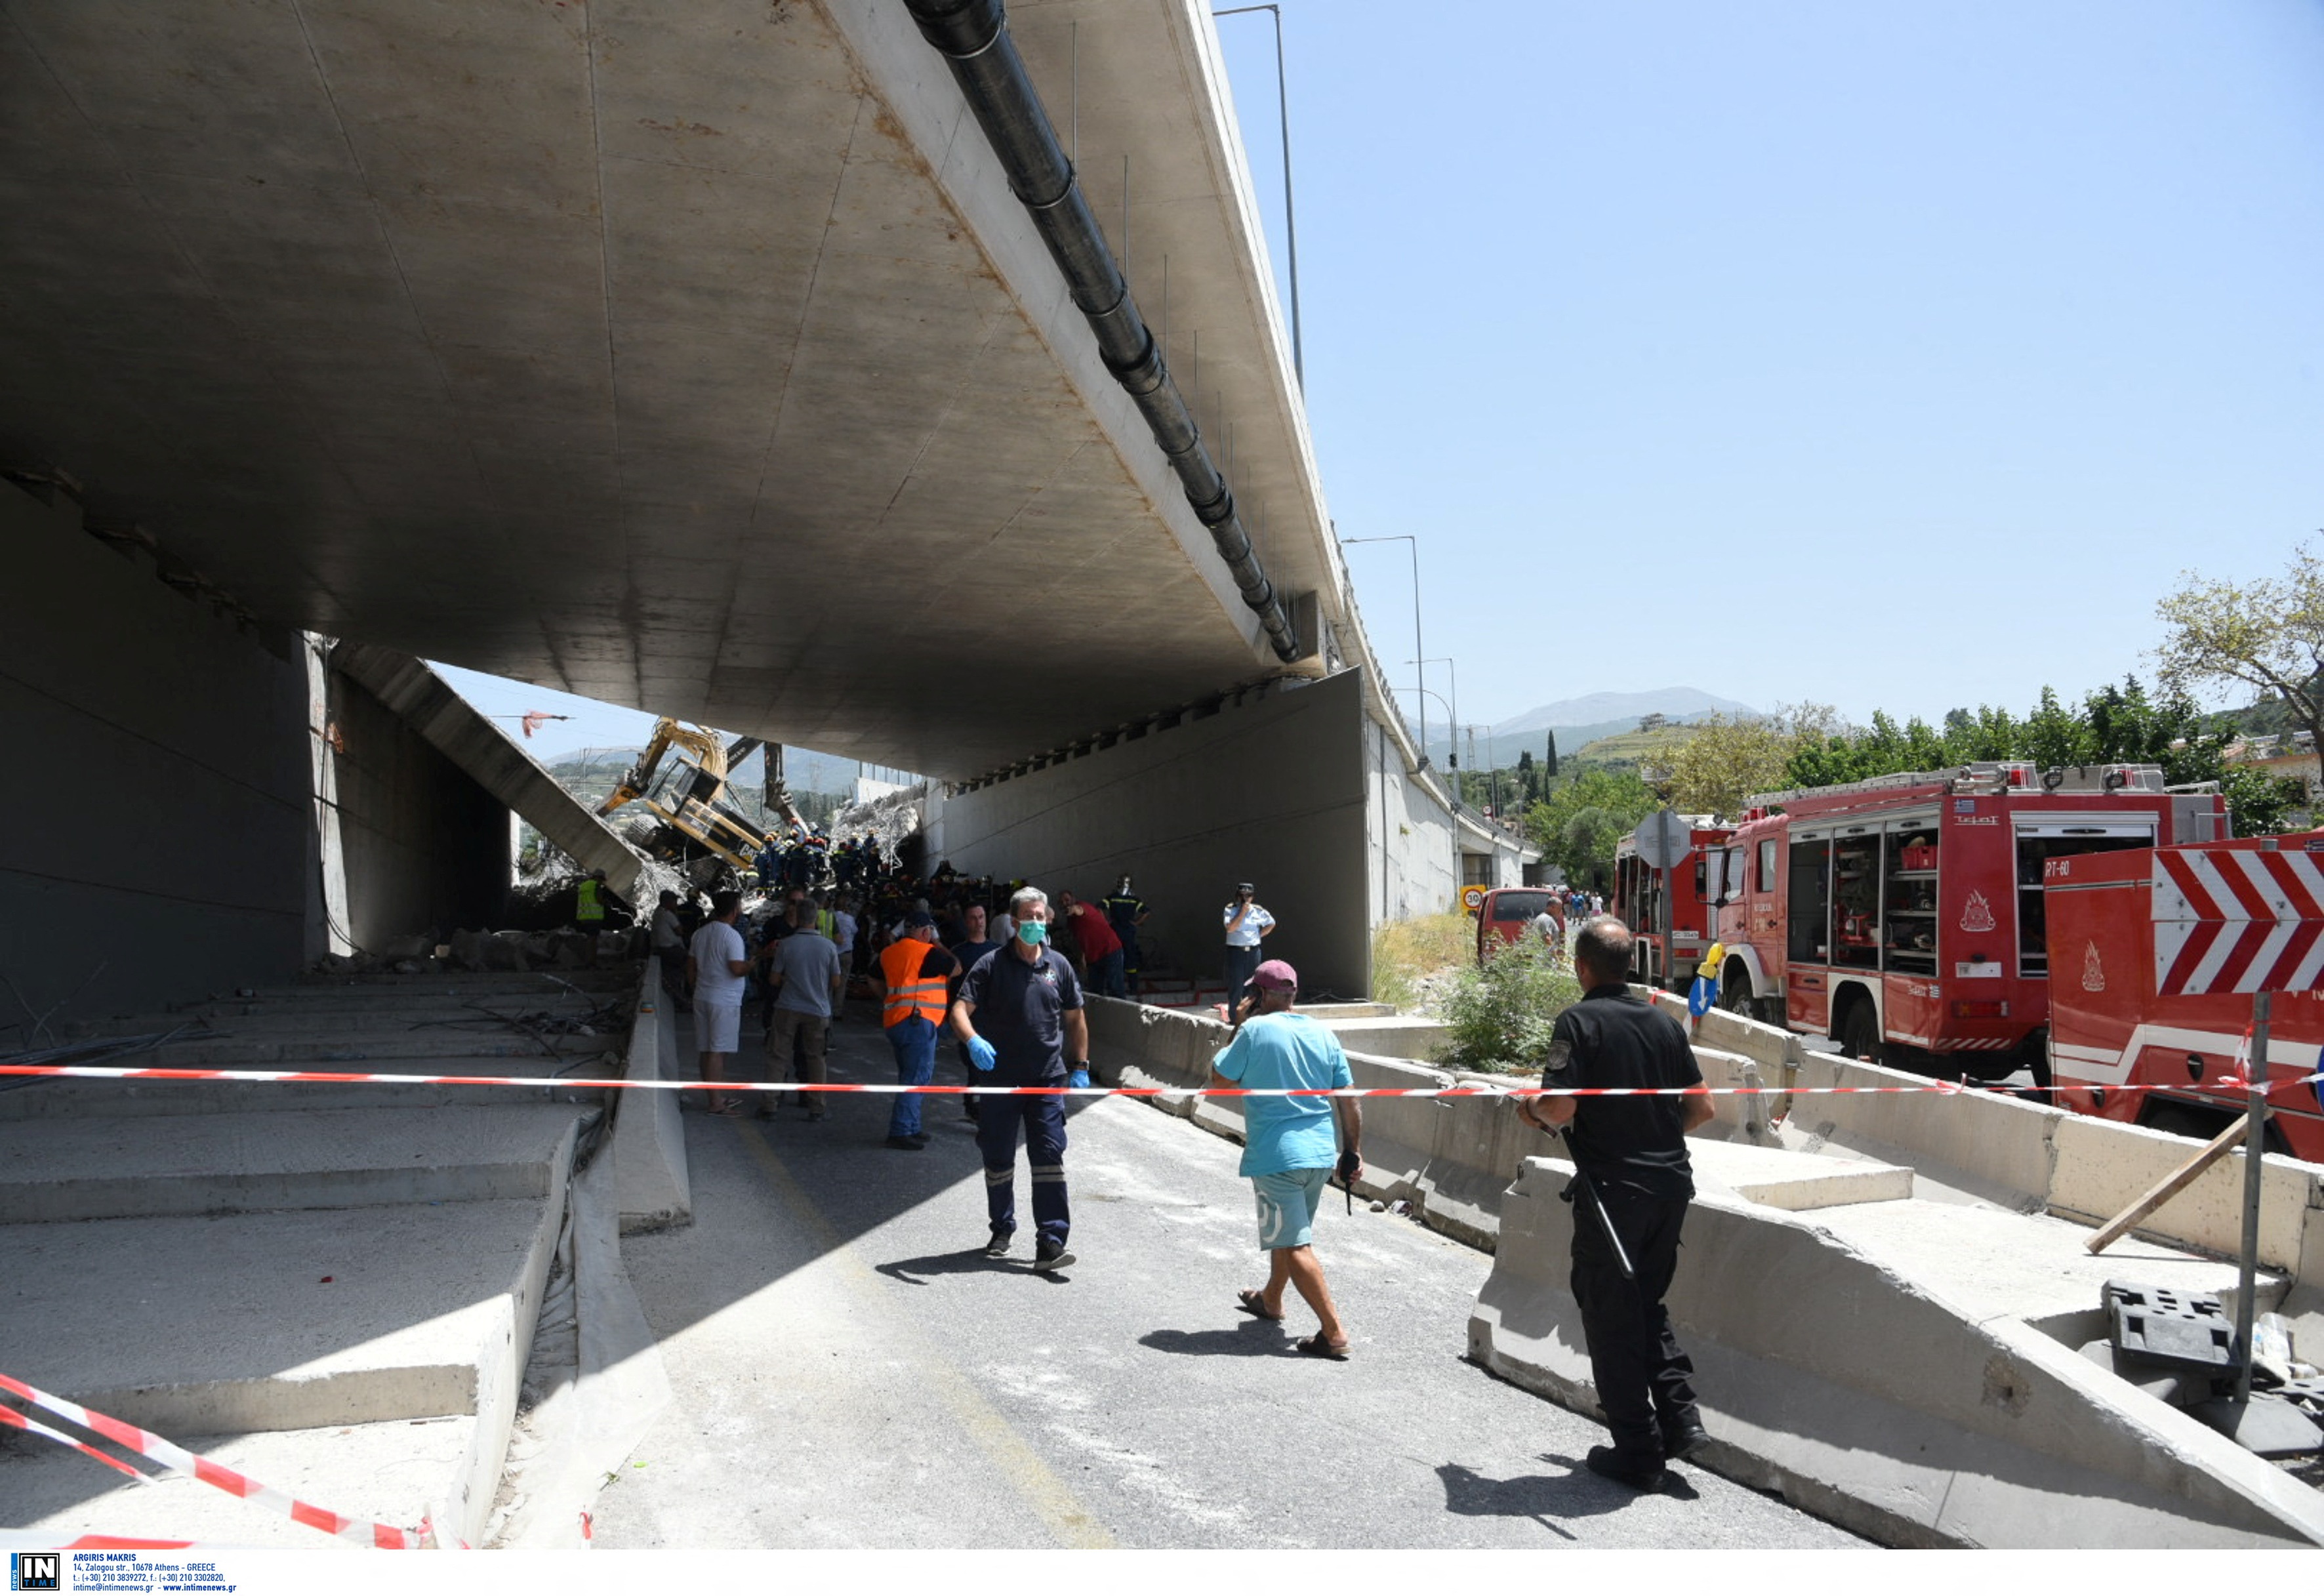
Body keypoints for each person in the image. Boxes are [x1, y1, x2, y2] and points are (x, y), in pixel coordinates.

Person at [1513, 916, 1714, 1490]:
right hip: (1670, 1187)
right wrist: (1650, 1137)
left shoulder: (1577, 1022)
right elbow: (1702, 1110)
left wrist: (1527, 1107)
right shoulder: (1665, 1023)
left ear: (1581, 967)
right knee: (1645, 1303)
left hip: (1613, 1196)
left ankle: (1638, 1451)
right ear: (1629, 964)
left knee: (1608, 1315)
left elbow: (1559, 1109)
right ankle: (1680, 1418)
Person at [1205, 959, 1362, 1359]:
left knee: (1294, 1244)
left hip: (1278, 1157)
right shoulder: (1323, 1033)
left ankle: (1333, 1331)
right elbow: (1349, 1100)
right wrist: (1352, 1151)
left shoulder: (1254, 1031)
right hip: (1319, 1155)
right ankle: (1271, 1299)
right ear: (1293, 994)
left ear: (1258, 995)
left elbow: (1219, 1080)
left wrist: (1238, 1025)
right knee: (1290, 1233)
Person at [950, 886, 1088, 1270]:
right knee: (998, 1157)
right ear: (1014, 922)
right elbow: (959, 1011)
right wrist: (973, 1040)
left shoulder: (1059, 966)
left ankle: (1051, 1242)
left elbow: (1076, 1018)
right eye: (1029, 917)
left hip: (1046, 1080)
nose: (1036, 923)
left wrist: (1081, 1065)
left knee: (1049, 1157)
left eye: (1041, 917)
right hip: (1000, 1081)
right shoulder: (991, 964)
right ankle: (1002, 1228)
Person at [873, 912, 962, 1150]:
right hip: (918, 1022)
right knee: (916, 1078)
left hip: (895, 1021)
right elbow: (957, 968)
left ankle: (912, 1125)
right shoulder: (928, 952)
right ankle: (901, 1130)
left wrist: (889, 1000)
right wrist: (939, 944)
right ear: (926, 931)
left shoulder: (888, 953)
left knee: (909, 1076)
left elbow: (873, 978)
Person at [760, 899, 845, 1122]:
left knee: (778, 1055)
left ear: (797, 918)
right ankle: (817, 1106)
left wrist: (790, 980)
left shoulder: (786, 945)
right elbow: (836, 982)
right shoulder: (828, 947)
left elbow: (774, 979)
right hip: (818, 1009)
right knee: (816, 1058)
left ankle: (770, 1104)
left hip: (788, 1007)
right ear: (816, 919)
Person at [686, 891, 753, 1115]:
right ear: (735, 910)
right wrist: (754, 963)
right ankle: (716, 1103)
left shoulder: (700, 934)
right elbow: (737, 969)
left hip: (702, 996)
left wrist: (695, 988)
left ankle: (714, 1097)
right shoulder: (732, 936)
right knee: (718, 1051)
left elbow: (691, 967)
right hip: (724, 1001)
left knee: (706, 1049)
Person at [947, 903, 1005, 1122]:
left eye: (981, 917)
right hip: (968, 1020)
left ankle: (980, 1107)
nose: (978, 922)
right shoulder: (957, 953)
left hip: (995, 1019)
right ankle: (974, 1106)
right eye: (973, 918)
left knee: (992, 1066)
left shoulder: (1000, 952)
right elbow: (947, 986)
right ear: (966, 921)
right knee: (975, 1064)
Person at [1221, 883, 1276, 1016]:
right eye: (1242, 896)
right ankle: (1234, 1017)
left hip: (1253, 951)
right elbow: (1231, 928)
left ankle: (1250, 1015)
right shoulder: (1230, 909)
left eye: (1248, 896)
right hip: (1236, 951)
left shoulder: (1258, 910)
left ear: (1253, 897)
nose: (1245, 899)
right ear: (1237, 896)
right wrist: (1242, 913)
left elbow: (1271, 923)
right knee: (1236, 984)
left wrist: (1258, 935)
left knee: (1252, 984)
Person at [1060, 890, 1126, 999]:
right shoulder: (1071, 921)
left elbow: (1078, 909)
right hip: (1093, 957)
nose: (1064, 903)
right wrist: (1082, 959)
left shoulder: (1083, 906)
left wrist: (1072, 909)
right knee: (1095, 991)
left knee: (1115, 988)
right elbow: (1079, 940)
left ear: (1073, 899)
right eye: (1061, 902)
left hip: (1110, 950)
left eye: (1067, 900)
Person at [1103, 875, 1149, 995]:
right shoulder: (1134, 899)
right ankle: (1133, 989)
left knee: (1114, 959)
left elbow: (1099, 908)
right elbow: (1146, 912)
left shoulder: (1112, 897)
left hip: (1115, 932)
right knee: (1130, 960)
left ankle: (1113, 989)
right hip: (1128, 932)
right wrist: (1136, 923)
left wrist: (1106, 922)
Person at [649, 890, 688, 996]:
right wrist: (676, 913)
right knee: (692, 962)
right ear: (669, 902)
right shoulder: (667, 914)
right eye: (675, 901)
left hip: (660, 949)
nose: (676, 904)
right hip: (670, 950)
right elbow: (680, 931)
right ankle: (686, 993)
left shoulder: (657, 913)